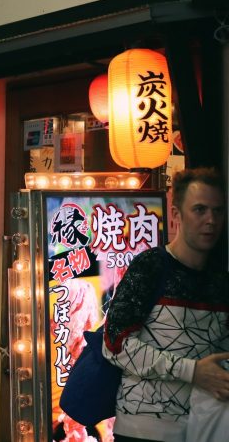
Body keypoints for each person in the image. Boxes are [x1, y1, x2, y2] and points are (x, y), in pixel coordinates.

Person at [102, 167, 229, 441]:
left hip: (205, 426)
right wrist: (192, 371)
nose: (211, 220)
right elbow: (114, 343)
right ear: (176, 214)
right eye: (200, 209)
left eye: (218, 211)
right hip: (144, 427)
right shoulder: (151, 265)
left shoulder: (221, 279)